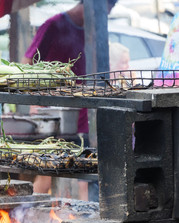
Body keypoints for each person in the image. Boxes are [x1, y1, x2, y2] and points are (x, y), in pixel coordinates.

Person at [22, 0, 117, 201]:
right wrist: (34, 103)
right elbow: (28, 63)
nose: (104, 19)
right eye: (104, 12)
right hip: (54, 117)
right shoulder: (54, 25)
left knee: (85, 172)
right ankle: (28, 211)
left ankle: (83, 218)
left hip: (85, 118)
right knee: (48, 169)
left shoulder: (95, 32)